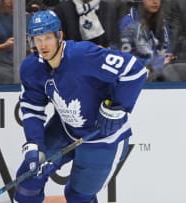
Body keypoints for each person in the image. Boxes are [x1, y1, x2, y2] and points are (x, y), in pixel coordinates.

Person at [14, 10, 147, 203]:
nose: (42, 45)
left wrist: (117, 109)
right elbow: (32, 108)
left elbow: (135, 70)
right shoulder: (31, 68)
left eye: (48, 38)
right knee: (27, 182)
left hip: (102, 138)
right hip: (65, 130)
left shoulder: (83, 55)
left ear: (59, 36)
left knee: (78, 198)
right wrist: (34, 144)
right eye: (37, 39)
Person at [118, 0, 178, 81]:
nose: (155, 1)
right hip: (136, 74)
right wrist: (156, 62)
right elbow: (126, 58)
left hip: (160, 70)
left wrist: (168, 58)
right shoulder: (128, 22)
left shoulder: (162, 22)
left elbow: (167, 48)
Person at [53, 0, 119, 48]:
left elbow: (115, 40)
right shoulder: (62, 9)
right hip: (76, 60)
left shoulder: (108, 7)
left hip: (104, 58)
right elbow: (60, 44)